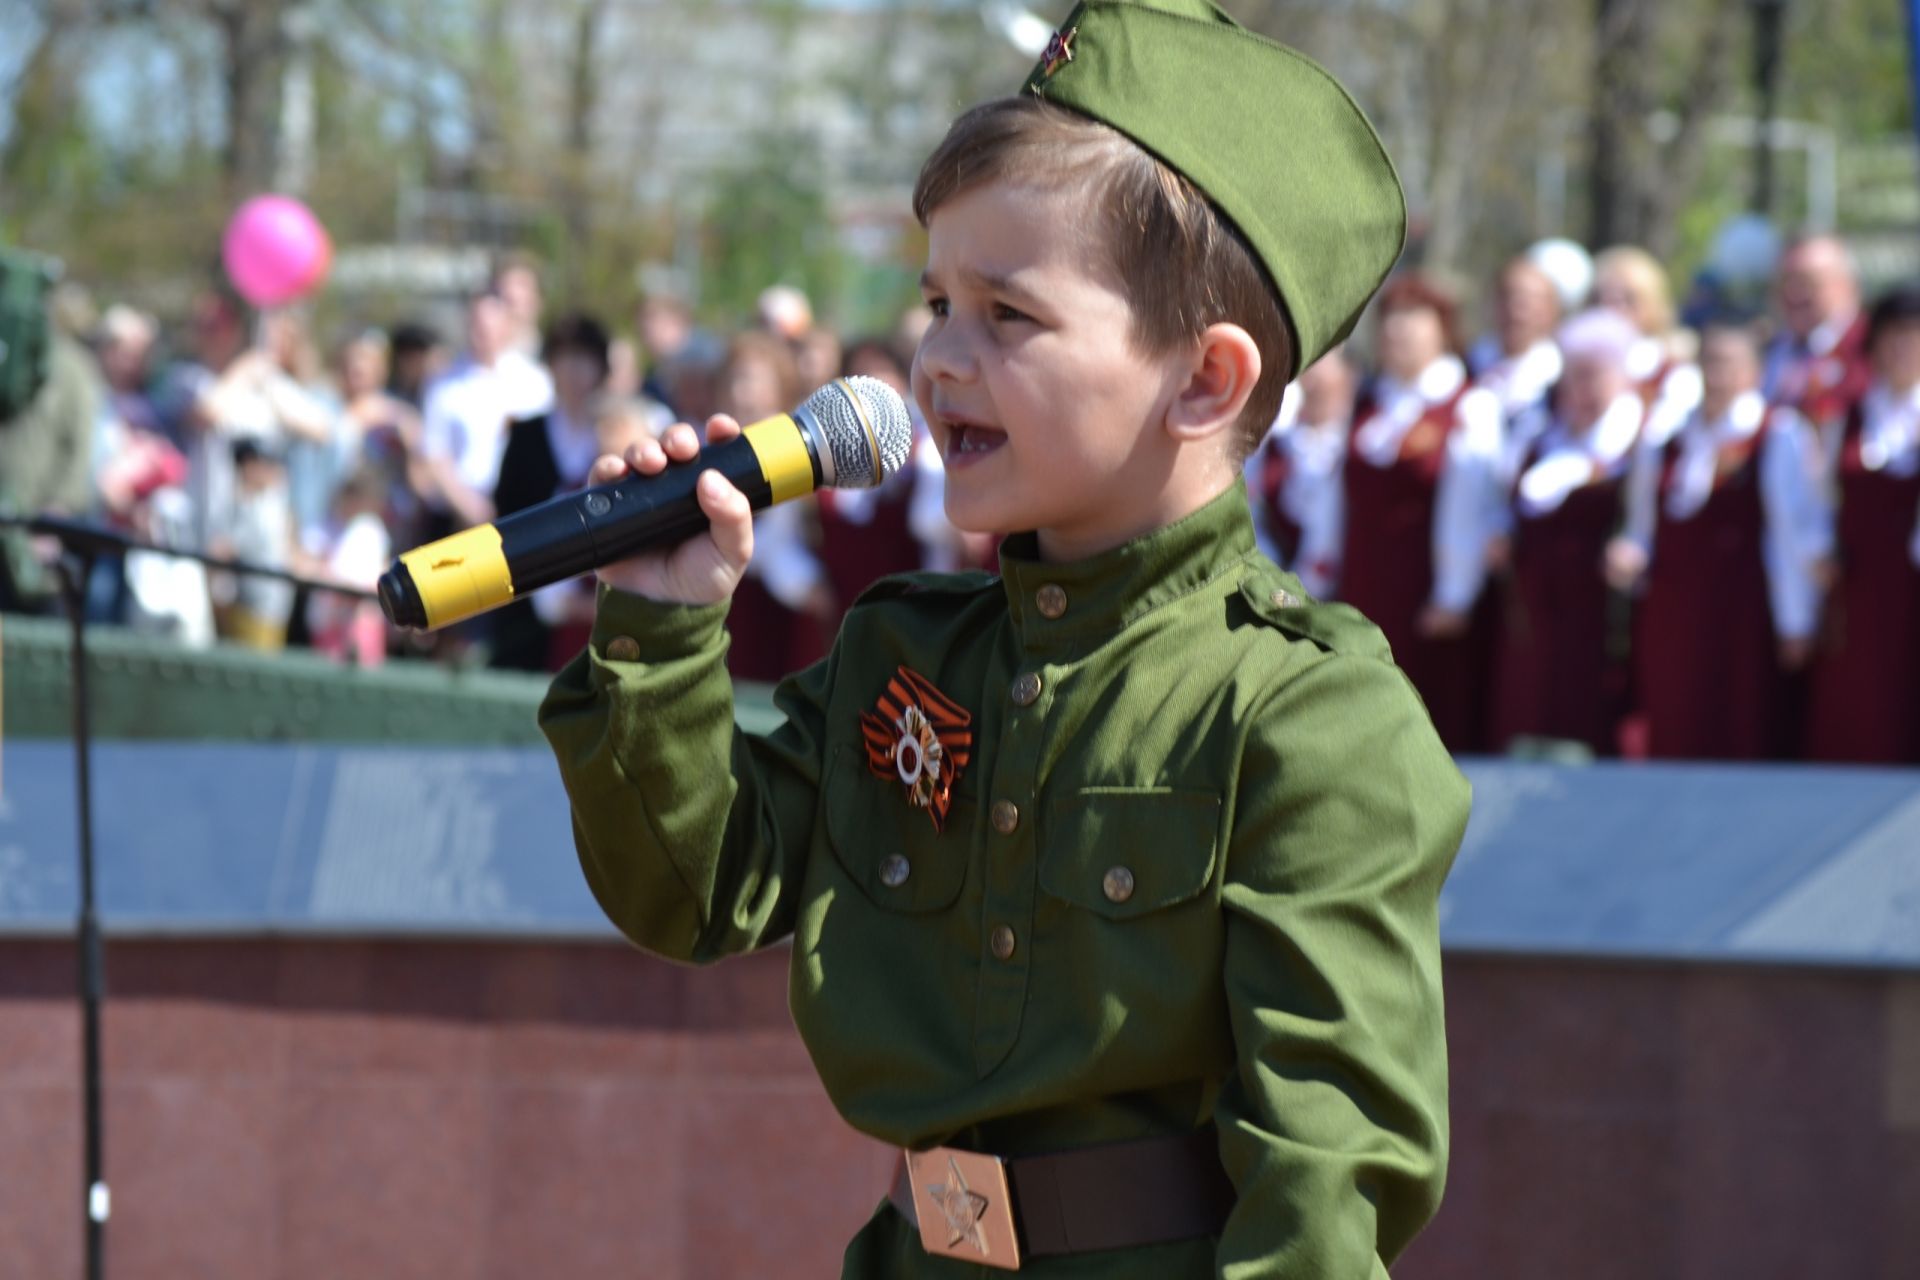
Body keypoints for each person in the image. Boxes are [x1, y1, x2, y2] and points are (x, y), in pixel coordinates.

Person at [537, 4, 1469, 1276]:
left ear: (1204, 379)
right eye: (934, 302)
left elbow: (1324, 1172)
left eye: (1006, 316)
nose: (936, 362)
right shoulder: (905, 656)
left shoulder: (1305, 714)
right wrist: (664, 618)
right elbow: (691, 893)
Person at [1607, 320, 1829, 759]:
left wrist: (1796, 621)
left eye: (1729, 364)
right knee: (1676, 724)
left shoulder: (1775, 433)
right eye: (1709, 362)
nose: (1718, 375)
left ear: (1754, 372)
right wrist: (1629, 553)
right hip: (1673, 615)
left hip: (1742, 615)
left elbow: (1792, 533)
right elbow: (1642, 528)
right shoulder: (1668, 439)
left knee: (1741, 725)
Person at [1339, 273, 1504, 752]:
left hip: (1427, 603)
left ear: (1443, 329)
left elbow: (1472, 506)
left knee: (1423, 730)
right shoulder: (1369, 404)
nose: (1398, 331)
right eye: (1390, 319)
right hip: (1364, 593)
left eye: (1414, 318)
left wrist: (1454, 594)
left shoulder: (1468, 404)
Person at [1492, 307, 1648, 755]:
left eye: (1595, 375)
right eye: (1576, 376)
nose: (1584, 389)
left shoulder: (1636, 443)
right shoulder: (1542, 441)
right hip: (1538, 614)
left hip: (1600, 619)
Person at [1804, 285, 1920, 765]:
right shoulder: (1850, 417)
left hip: (1914, 589)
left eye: (1914, 337)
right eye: (1894, 336)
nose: (1903, 349)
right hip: (1861, 587)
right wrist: (1822, 550)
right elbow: (1820, 499)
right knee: (1863, 709)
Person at [490, 312, 618, 672]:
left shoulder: (615, 433)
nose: (575, 371)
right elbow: (507, 513)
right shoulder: (526, 434)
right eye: (566, 358)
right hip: (529, 608)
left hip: (601, 607)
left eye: (586, 359)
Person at [418, 292, 553, 534]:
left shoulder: (534, 381)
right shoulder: (442, 384)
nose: (483, 332)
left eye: (490, 325)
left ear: (507, 326)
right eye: (477, 324)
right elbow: (436, 454)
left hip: (522, 512)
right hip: (458, 517)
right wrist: (471, 508)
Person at [1247, 348, 1350, 600]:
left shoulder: (1354, 446)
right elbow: (1254, 515)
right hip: (1278, 589)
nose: (1312, 380)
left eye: (1324, 368)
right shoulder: (1278, 446)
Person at [1762, 233, 1870, 427]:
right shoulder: (1766, 351)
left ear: (1846, 285)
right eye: (1785, 281)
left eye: (1808, 282)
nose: (1793, 293)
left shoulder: (1872, 350)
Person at [1465, 255, 1564, 421]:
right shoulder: (1466, 367)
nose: (1516, 312)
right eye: (1507, 297)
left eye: (1528, 302)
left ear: (1551, 311)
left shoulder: (1559, 383)